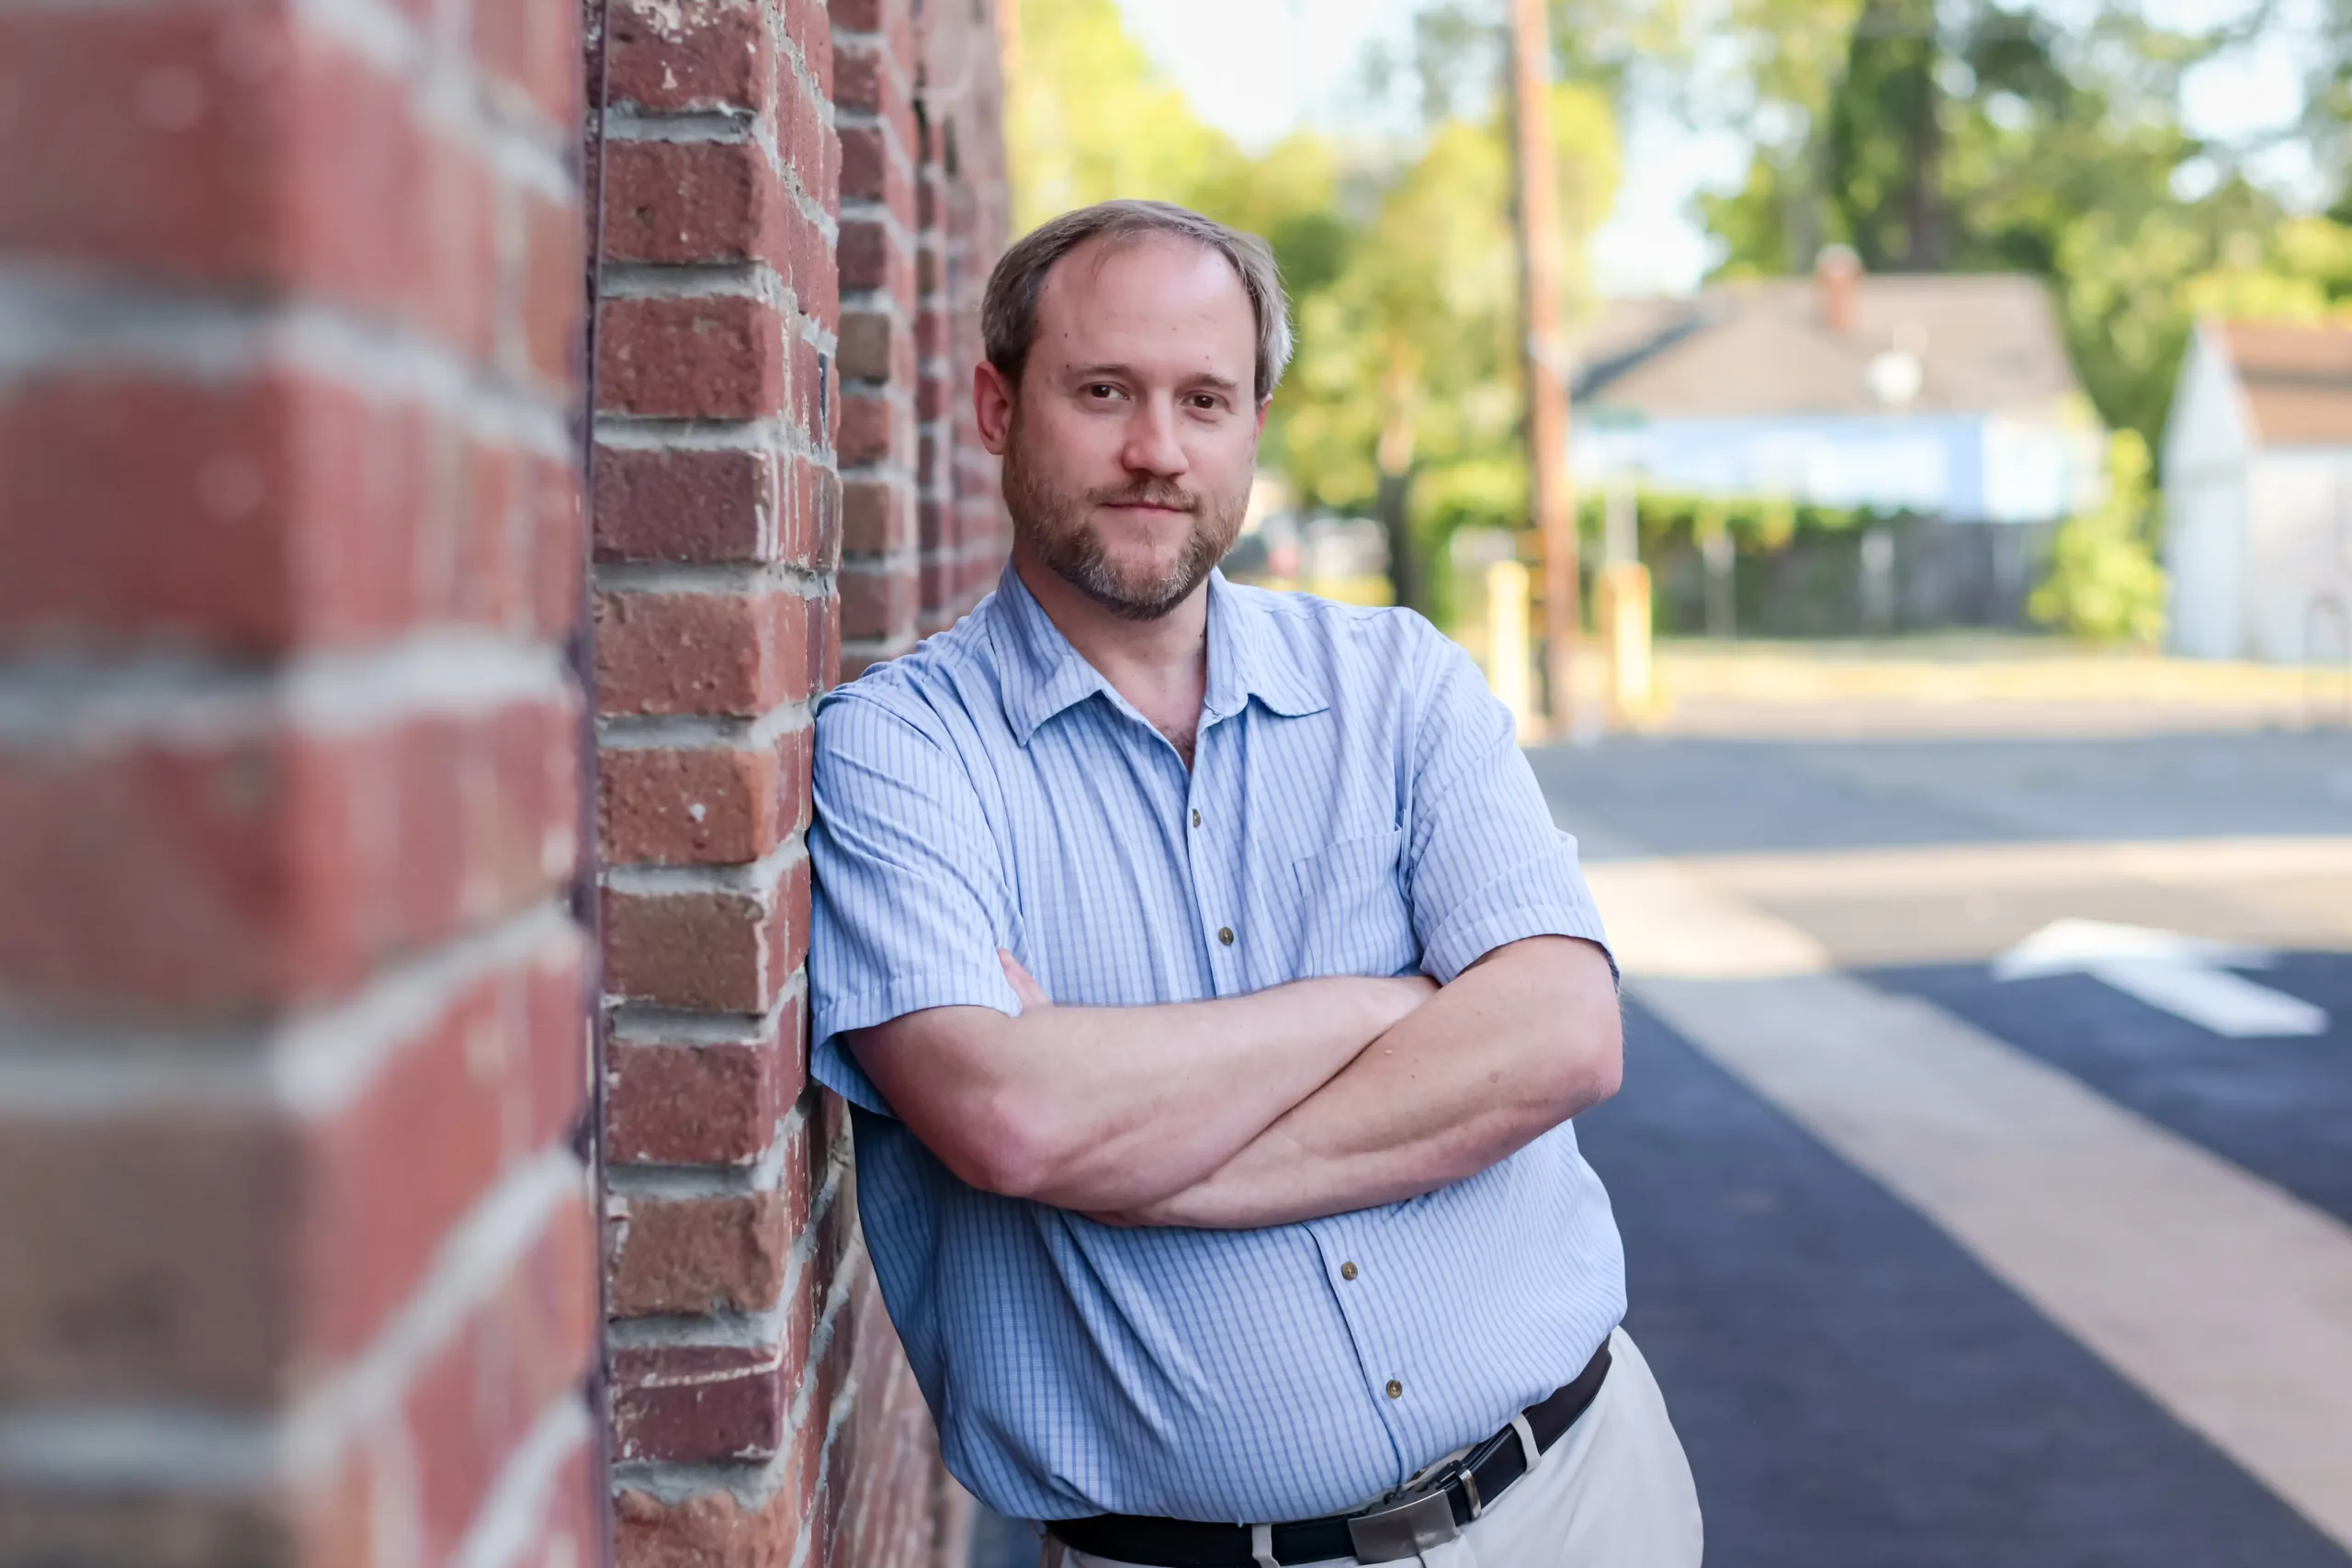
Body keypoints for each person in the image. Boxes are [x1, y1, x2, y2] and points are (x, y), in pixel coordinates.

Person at [808, 198, 1702, 1567]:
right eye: (1104, 391)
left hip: (1580, 1501)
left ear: (1254, 427)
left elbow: (1566, 1035)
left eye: (1204, 400)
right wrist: (1384, 1002)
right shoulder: (902, 751)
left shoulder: (1400, 685)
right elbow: (1011, 1118)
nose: (1156, 450)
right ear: (997, 406)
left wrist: (1143, 1169)